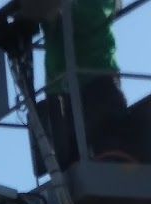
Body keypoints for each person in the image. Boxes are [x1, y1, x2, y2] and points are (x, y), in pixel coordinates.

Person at [37, 0, 127, 165]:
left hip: (97, 85)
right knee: (67, 172)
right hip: (59, 94)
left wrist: (57, 9)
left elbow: (91, 15)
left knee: (109, 161)